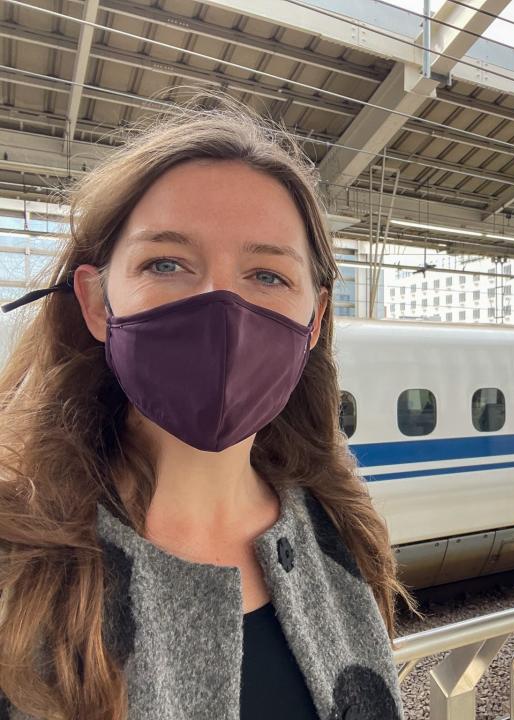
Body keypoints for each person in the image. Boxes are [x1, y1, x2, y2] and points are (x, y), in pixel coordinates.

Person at [0, 94, 408, 720]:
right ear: (96, 302)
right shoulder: (15, 564)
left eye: (268, 276)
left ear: (315, 317)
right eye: (166, 263)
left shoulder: (343, 532)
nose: (221, 306)